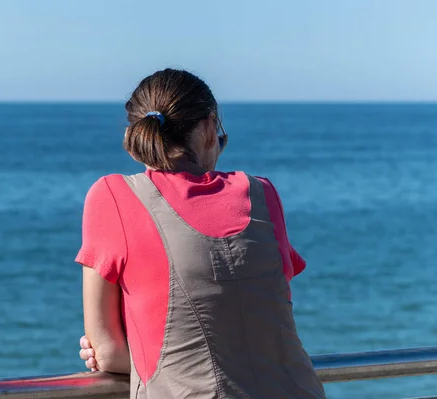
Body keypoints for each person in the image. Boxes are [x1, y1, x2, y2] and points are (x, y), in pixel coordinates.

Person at [75, 68, 326, 399]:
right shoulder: (262, 193)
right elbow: (258, 317)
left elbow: (107, 352)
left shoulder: (113, 195)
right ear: (208, 127)